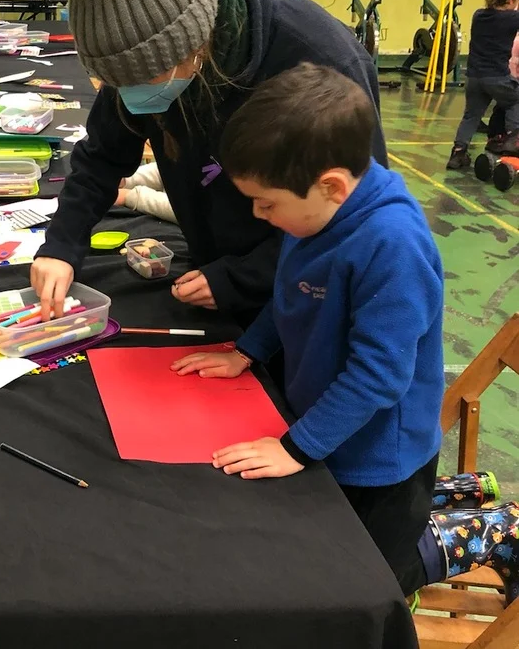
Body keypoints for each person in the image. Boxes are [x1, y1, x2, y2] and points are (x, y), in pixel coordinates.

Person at [171, 63, 519, 603]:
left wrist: (297, 447)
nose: (259, 215)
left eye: (268, 203)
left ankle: (492, 532)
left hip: (380, 459)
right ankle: (458, 493)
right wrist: (248, 350)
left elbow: (379, 376)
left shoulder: (392, 245)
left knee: (368, 583)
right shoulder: (317, 215)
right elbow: (292, 293)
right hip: (331, 428)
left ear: (331, 186)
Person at [31, 0, 387, 327]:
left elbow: (350, 215)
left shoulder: (322, 61)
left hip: (303, 294)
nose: (129, 95)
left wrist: (244, 278)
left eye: (142, 80)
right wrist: (61, 245)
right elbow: (102, 156)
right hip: (215, 274)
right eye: (117, 83)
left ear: (194, 46)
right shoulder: (145, 53)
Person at [447, 0, 519, 171]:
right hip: (497, 78)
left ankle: (458, 153)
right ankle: (513, 140)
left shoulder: (478, 15)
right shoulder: (513, 18)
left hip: (474, 77)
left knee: (471, 116)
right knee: (515, 100)